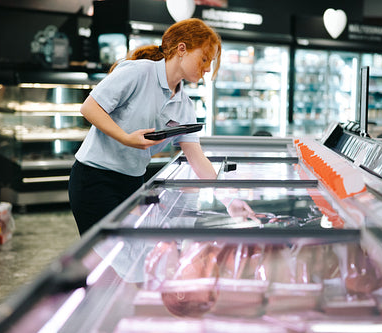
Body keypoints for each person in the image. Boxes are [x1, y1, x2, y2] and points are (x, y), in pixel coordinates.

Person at [69, 18, 257, 235]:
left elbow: (197, 159)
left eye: (210, 63)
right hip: (94, 178)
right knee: (105, 255)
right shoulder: (139, 72)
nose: (206, 68)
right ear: (182, 49)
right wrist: (126, 138)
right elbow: (89, 107)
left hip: (132, 182)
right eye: (203, 59)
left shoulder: (184, 105)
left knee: (126, 253)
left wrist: (229, 199)